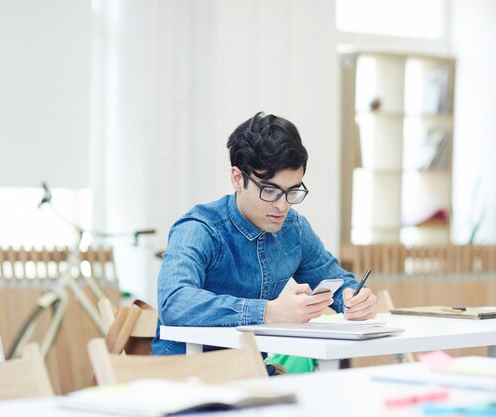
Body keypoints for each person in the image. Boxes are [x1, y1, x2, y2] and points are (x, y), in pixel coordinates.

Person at [152, 112, 378, 356]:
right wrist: (268, 313)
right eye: (270, 191)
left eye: (292, 191)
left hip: (253, 372)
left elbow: (339, 283)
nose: (282, 206)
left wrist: (355, 301)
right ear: (238, 178)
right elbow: (174, 302)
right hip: (186, 373)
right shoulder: (199, 228)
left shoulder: (295, 229)